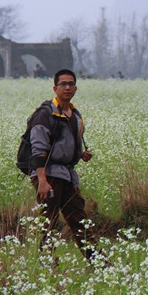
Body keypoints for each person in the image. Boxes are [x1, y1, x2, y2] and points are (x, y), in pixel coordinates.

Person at [29, 69, 100, 262]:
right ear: (55, 88)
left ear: (76, 88)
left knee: (80, 221)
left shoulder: (75, 115)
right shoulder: (45, 114)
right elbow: (38, 151)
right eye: (63, 84)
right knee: (48, 222)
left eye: (71, 84)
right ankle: (46, 265)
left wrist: (80, 155)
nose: (67, 87)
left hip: (67, 175)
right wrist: (42, 181)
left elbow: (67, 145)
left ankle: (99, 264)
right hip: (49, 176)